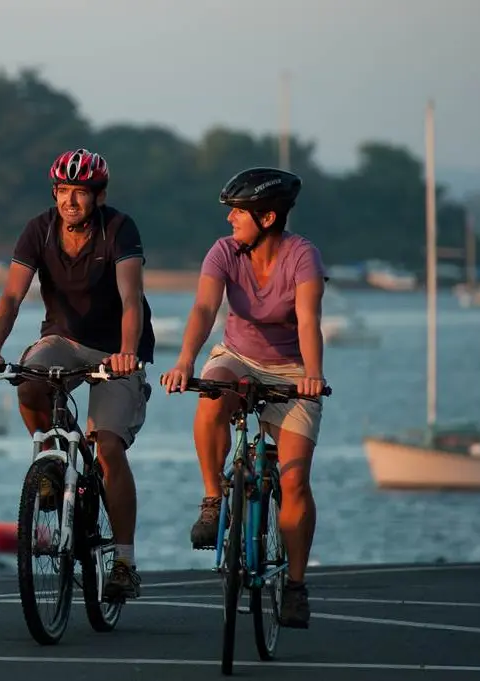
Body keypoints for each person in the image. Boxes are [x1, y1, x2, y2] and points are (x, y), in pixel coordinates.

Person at [0, 148, 155, 601]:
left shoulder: (119, 229)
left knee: (108, 445)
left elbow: (131, 299)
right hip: (64, 340)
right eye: (63, 191)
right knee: (29, 382)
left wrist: (128, 353)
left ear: (98, 196)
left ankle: (125, 561)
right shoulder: (39, 229)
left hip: (117, 348)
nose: (70, 201)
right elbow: (11, 298)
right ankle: (54, 464)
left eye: (80, 192)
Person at [160, 167, 327, 628]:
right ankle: (213, 500)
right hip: (236, 356)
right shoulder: (223, 252)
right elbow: (203, 308)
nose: (231, 220)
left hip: (293, 367)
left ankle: (294, 585)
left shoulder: (303, 257)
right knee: (212, 397)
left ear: (267, 217)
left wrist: (312, 376)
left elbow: (309, 320)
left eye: (239, 212)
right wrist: (185, 361)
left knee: (293, 482)